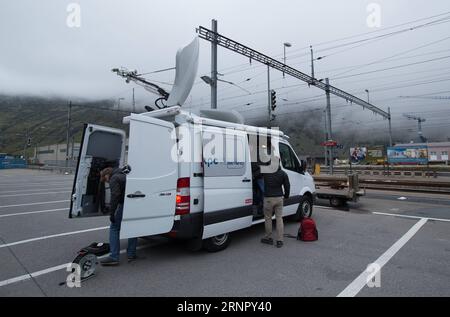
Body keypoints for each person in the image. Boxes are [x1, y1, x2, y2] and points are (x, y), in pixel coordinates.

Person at [99, 167, 138, 266]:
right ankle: (131, 253)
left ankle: (114, 257)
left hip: (125, 204)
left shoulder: (114, 178)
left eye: (105, 180)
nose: (107, 182)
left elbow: (115, 196)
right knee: (132, 227)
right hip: (134, 203)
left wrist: (112, 214)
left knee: (114, 228)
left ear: (107, 175)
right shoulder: (125, 174)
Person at [261, 159, 290, 248]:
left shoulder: (265, 172)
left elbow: (260, 168)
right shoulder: (283, 173)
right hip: (279, 198)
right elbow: (287, 186)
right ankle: (279, 240)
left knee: (268, 218)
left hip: (268, 199)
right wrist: (286, 195)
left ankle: (268, 237)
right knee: (279, 218)